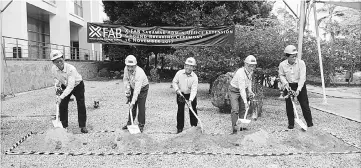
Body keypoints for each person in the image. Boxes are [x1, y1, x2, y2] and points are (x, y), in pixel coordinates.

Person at [50, 50, 88, 133]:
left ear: (63, 58)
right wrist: (58, 89)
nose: (59, 63)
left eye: (60, 60)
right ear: (53, 62)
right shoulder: (53, 69)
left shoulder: (71, 69)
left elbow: (71, 86)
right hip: (65, 84)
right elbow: (56, 79)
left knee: (81, 104)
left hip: (77, 85)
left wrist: (61, 96)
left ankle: (83, 125)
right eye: (56, 61)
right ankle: (64, 126)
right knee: (62, 105)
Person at [278, 45, 313, 130]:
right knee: (289, 106)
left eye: (295, 56)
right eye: (292, 56)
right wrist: (286, 84)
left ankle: (310, 124)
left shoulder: (301, 63)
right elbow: (281, 75)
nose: (294, 58)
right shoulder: (282, 65)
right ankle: (291, 124)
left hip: (300, 85)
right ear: (287, 56)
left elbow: (302, 77)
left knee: (305, 105)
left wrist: (298, 89)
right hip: (289, 85)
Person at [228, 55, 257, 134]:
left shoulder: (251, 72)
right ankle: (234, 129)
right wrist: (245, 101)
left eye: (253, 66)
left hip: (243, 89)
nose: (252, 68)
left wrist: (250, 91)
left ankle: (241, 127)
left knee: (243, 109)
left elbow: (249, 81)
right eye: (250, 66)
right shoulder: (240, 73)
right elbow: (241, 89)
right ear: (246, 64)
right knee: (235, 109)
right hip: (234, 90)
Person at [122, 55, 149, 133]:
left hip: (143, 88)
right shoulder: (126, 69)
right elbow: (125, 80)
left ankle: (141, 125)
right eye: (128, 66)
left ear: (135, 65)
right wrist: (127, 90)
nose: (130, 68)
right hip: (133, 86)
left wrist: (133, 101)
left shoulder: (139, 73)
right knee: (132, 107)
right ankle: (130, 123)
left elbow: (137, 90)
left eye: (132, 66)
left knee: (141, 106)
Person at [172, 57, 199, 134]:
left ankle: (194, 127)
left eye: (191, 66)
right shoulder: (179, 73)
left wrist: (190, 100)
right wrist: (177, 90)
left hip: (191, 95)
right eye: (187, 65)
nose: (189, 67)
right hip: (181, 94)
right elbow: (174, 82)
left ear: (194, 67)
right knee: (180, 110)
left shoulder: (195, 77)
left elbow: (194, 90)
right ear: (184, 66)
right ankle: (179, 128)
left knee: (192, 109)